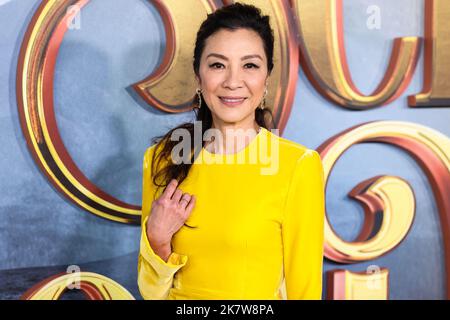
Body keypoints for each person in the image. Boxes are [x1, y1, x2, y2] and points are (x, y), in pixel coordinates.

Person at [137, 3, 325, 300]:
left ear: (266, 78)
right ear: (199, 77)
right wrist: (157, 241)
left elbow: (306, 291)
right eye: (217, 65)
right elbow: (150, 293)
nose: (233, 82)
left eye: (249, 65)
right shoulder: (163, 158)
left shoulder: (297, 166)